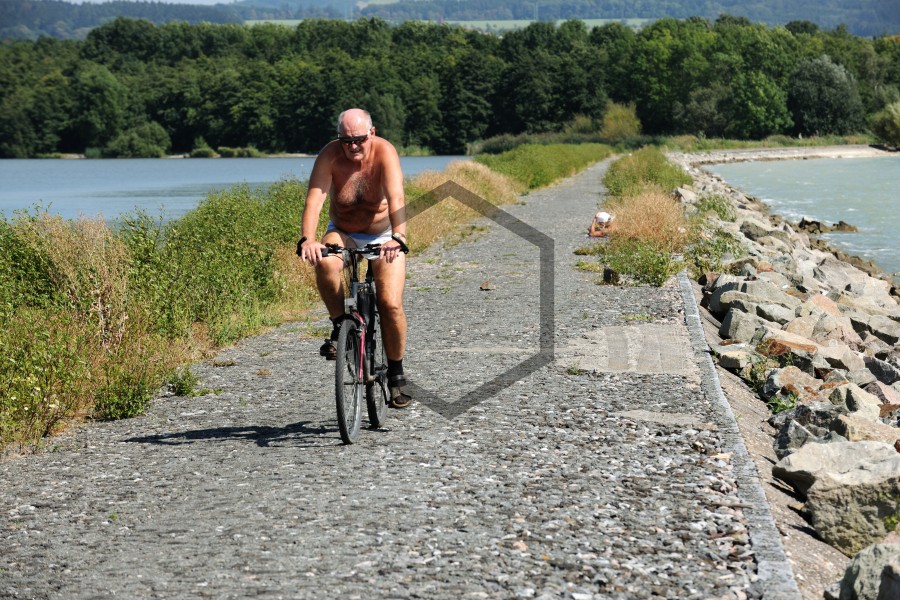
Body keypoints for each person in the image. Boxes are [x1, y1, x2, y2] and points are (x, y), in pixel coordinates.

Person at [297, 108, 411, 409]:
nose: (353, 146)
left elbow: (396, 197)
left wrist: (399, 235)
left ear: (371, 133)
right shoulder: (330, 156)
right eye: (346, 140)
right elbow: (315, 200)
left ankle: (396, 374)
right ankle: (340, 327)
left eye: (359, 139)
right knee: (325, 261)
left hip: (384, 235)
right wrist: (307, 238)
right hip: (343, 231)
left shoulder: (385, 152)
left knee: (390, 304)